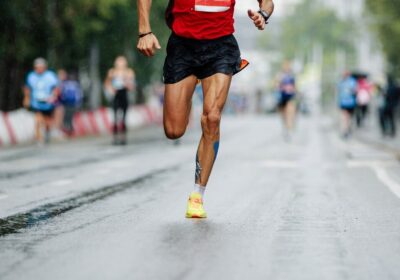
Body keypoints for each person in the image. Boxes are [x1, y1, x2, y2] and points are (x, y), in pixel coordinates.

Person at [136, 0, 274, 218]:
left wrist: (263, 14)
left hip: (221, 48)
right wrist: (145, 31)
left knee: (212, 117)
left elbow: (266, 2)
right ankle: (191, 86)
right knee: (173, 130)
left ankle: (197, 196)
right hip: (183, 45)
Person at [23, 58, 59, 144]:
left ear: (44, 67)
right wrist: (26, 98)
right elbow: (27, 88)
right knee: (38, 120)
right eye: (37, 67)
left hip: (47, 103)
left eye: (40, 67)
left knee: (47, 122)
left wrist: (53, 96)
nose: (39, 69)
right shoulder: (31, 76)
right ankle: (39, 138)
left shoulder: (50, 76)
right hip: (36, 103)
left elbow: (56, 88)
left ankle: (47, 133)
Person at [104, 56, 136, 145]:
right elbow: (107, 83)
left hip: (124, 94)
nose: (120, 64)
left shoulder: (129, 72)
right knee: (114, 118)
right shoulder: (112, 72)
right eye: (119, 62)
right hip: (115, 96)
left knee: (123, 118)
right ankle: (115, 138)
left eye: (122, 62)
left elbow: (132, 86)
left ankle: (123, 138)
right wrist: (110, 89)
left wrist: (126, 83)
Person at [277, 61, 297, 140]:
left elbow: (295, 86)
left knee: (290, 113)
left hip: (290, 97)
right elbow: (276, 85)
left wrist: (294, 91)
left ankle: (289, 130)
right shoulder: (280, 75)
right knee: (283, 115)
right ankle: (285, 127)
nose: (287, 68)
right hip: (282, 97)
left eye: (288, 67)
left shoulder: (292, 76)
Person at [60, 72, 82, 136]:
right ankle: (70, 129)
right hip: (72, 103)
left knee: (67, 117)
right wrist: (79, 103)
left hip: (67, 103)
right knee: (70, 117)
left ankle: (69, 129)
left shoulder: (65, 84)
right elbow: (79, 94)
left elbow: (62, 94)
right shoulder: (76, 84)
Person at [337, 71, 357, 139]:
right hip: (346, 103)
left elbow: (354, 91)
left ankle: (347, 130)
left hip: (349, 102)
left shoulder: (345, 82)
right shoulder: (351, 81)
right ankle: (346, 130)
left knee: (347, 118)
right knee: (346, 117)